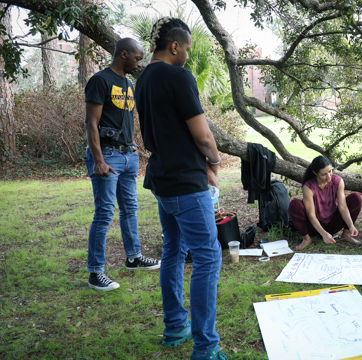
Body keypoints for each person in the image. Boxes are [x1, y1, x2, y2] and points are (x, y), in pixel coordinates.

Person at [134, 17, 231, 360]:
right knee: (208, 256)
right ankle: (206, 348)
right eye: (187, 48)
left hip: (161, 180)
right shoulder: (178, 76)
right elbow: (203, 135)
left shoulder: (142, 78)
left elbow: (169, 131)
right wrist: (215, 162)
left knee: (173, 251)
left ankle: (176, 325)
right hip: (186, 184)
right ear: (175, 46)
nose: (188, 54)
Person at [84, 38, 160, 292]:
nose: (139, 63)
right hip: (107, 157)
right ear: (123, 54)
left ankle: (133, 257)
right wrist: (98, 160)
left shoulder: (127, 84)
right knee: (105, 213)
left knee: (130, 209)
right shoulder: (100, 80)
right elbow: (91, 123)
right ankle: (95, 272)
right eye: (137, 58)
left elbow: (123, 120)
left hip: (128, 155)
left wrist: (132, 144)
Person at [288, 156, 362, 250]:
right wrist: (323, 233)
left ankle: (346, 234)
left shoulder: (338, 181)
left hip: (333, 223)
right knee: (294, 205)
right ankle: (306, 239)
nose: (329, 176)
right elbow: (310, 214)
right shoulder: (308, 186)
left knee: (356, 198)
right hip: (314, 226)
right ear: (315, 173)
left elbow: (342, 206)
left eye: (330, 171)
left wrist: (351, 225)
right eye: (324, 174)